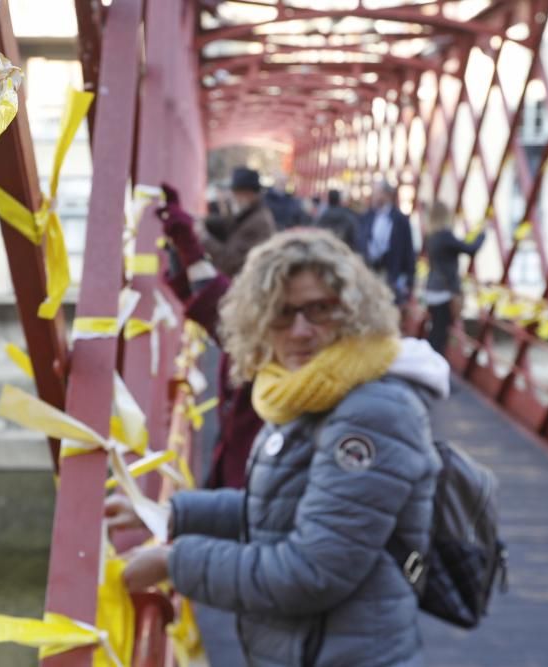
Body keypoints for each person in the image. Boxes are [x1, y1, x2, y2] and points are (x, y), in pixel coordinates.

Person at [107, 229, 449, 667]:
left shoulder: (371, 413)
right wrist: (169, 515)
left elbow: (312, 571)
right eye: (282, 315)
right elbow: (280, 510)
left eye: (320, 310)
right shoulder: (306, 393)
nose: (301, 331)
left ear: (354, 312)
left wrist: (175, 563)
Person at [157, 183, 268, 490]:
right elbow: (221, 310)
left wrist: (196, 240)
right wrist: (187, 245)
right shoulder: (262, 339)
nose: (299, 329)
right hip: (234, 491)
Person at [424, 201, 486, 354]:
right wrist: (482, 234)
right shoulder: (445, 236)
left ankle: (430, 362)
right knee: (441, 335)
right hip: (445, 292)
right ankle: (435, 367)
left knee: (436, 331)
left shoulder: (431, 237)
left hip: (432, 290)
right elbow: (470, 249)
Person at [200, 167, 277, 278]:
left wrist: (204, 238)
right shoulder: (251, 214)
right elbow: (227, 223)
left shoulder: (259, 222)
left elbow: (229, 262)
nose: (233, 197)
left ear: (248, 193)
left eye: (236, 193)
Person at [358, 181, 416, 305]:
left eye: (377, 193)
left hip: (391, 275)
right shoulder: (367, 216)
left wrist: (408, 280)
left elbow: (408, 250)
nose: (374, 197)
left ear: (387, 195)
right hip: (369, 273)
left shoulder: (400, 220)